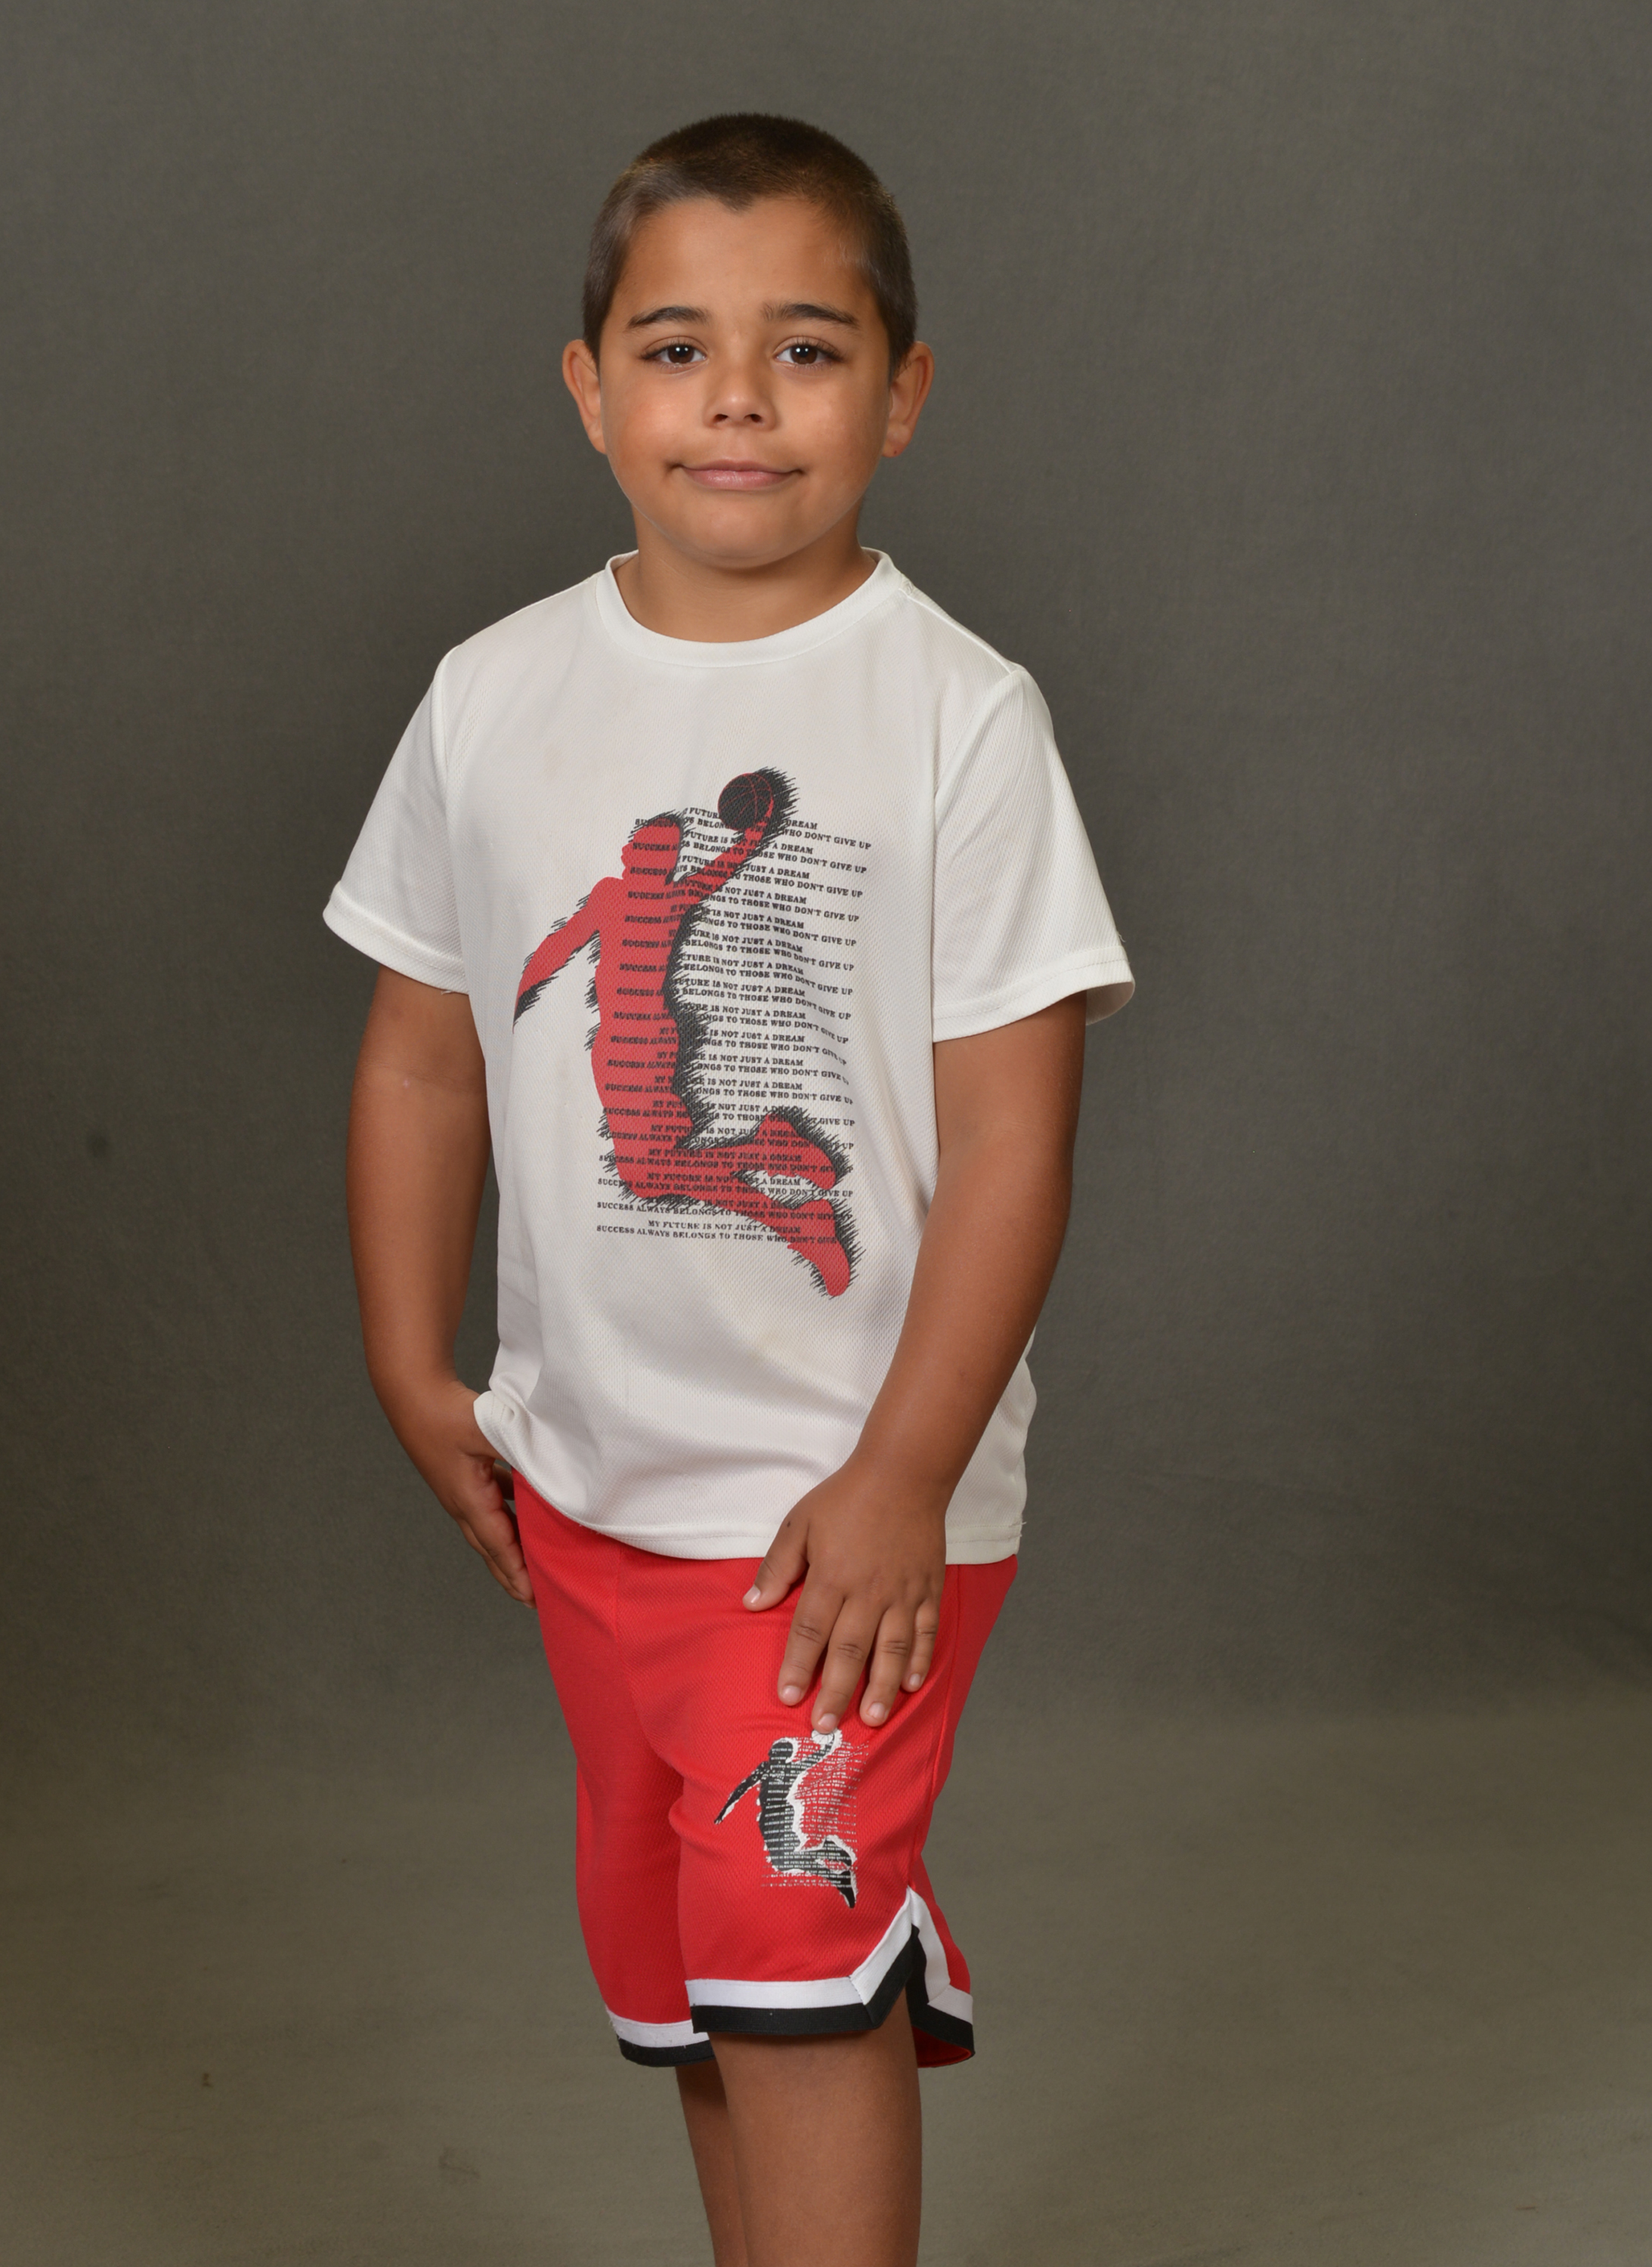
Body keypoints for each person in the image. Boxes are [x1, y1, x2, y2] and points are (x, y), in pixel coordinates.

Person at [326, 113, 1133, 2267]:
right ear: (589, 390)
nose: (742, 400)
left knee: (796, 1983)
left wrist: (905, 1471)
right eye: (678, 349)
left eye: (809, 348)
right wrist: (410, 1362)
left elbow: (1018, 1137)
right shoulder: (490, 698)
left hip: (841, 1511)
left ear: (905, 391)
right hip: (592, 1486)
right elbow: (422, 1052)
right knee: (705, 1989)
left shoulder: (963, 719)